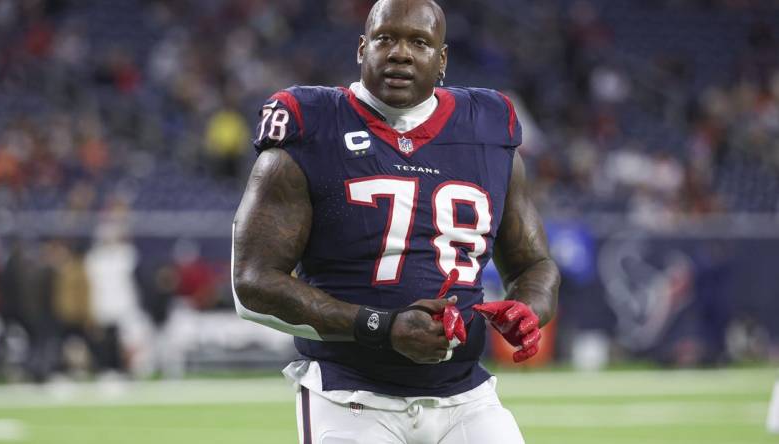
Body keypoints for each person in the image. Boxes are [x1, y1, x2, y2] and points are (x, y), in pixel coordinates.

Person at [232, 1, 560, 442]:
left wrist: (528, 309)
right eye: (386, 38)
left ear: (441, 59)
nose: (401, 53)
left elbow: (534, 266)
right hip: (348, 394)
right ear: (362, 48)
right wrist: (382, 327)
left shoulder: (486, 128)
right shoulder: (313, 124)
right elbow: (252, 285)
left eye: (420, 42)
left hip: (465, 395)